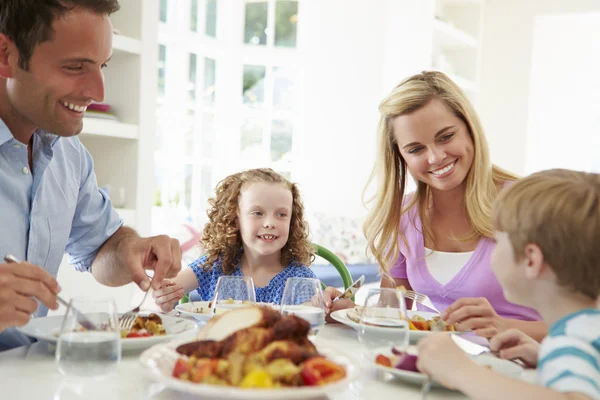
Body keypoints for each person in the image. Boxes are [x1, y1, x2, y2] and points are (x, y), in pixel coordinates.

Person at [0, 0, 181, 351]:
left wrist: (130, 249)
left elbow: (101, 250)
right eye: (74, 67)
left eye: (102, 66)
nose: (98, 92)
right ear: (5, 55)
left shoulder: (69, 155)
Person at [324, 71, 546, 340]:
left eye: (445, 137)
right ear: (400, 157)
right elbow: (390, 318)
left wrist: (506, 327)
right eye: (416, 149)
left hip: (518, 372)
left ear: (470, 129)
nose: (436, 157)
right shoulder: (405, 217)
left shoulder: (532, 206)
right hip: (432, 370)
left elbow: (588, 327)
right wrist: (349, 313)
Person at [417, 169, 600, 400]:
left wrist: (462, 372)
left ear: (532, 260)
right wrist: (544, 357)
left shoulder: (570, 344)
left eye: (497, 238)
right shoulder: (585, 334)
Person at [152, 168, 317, 310]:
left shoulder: (300, 279)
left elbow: (307, 325)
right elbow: (168, 287)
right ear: (236, 219)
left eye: (281, 214)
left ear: (292, 221)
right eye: (258, 213)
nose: (269, 223)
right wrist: (164, 297)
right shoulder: (214, 265)